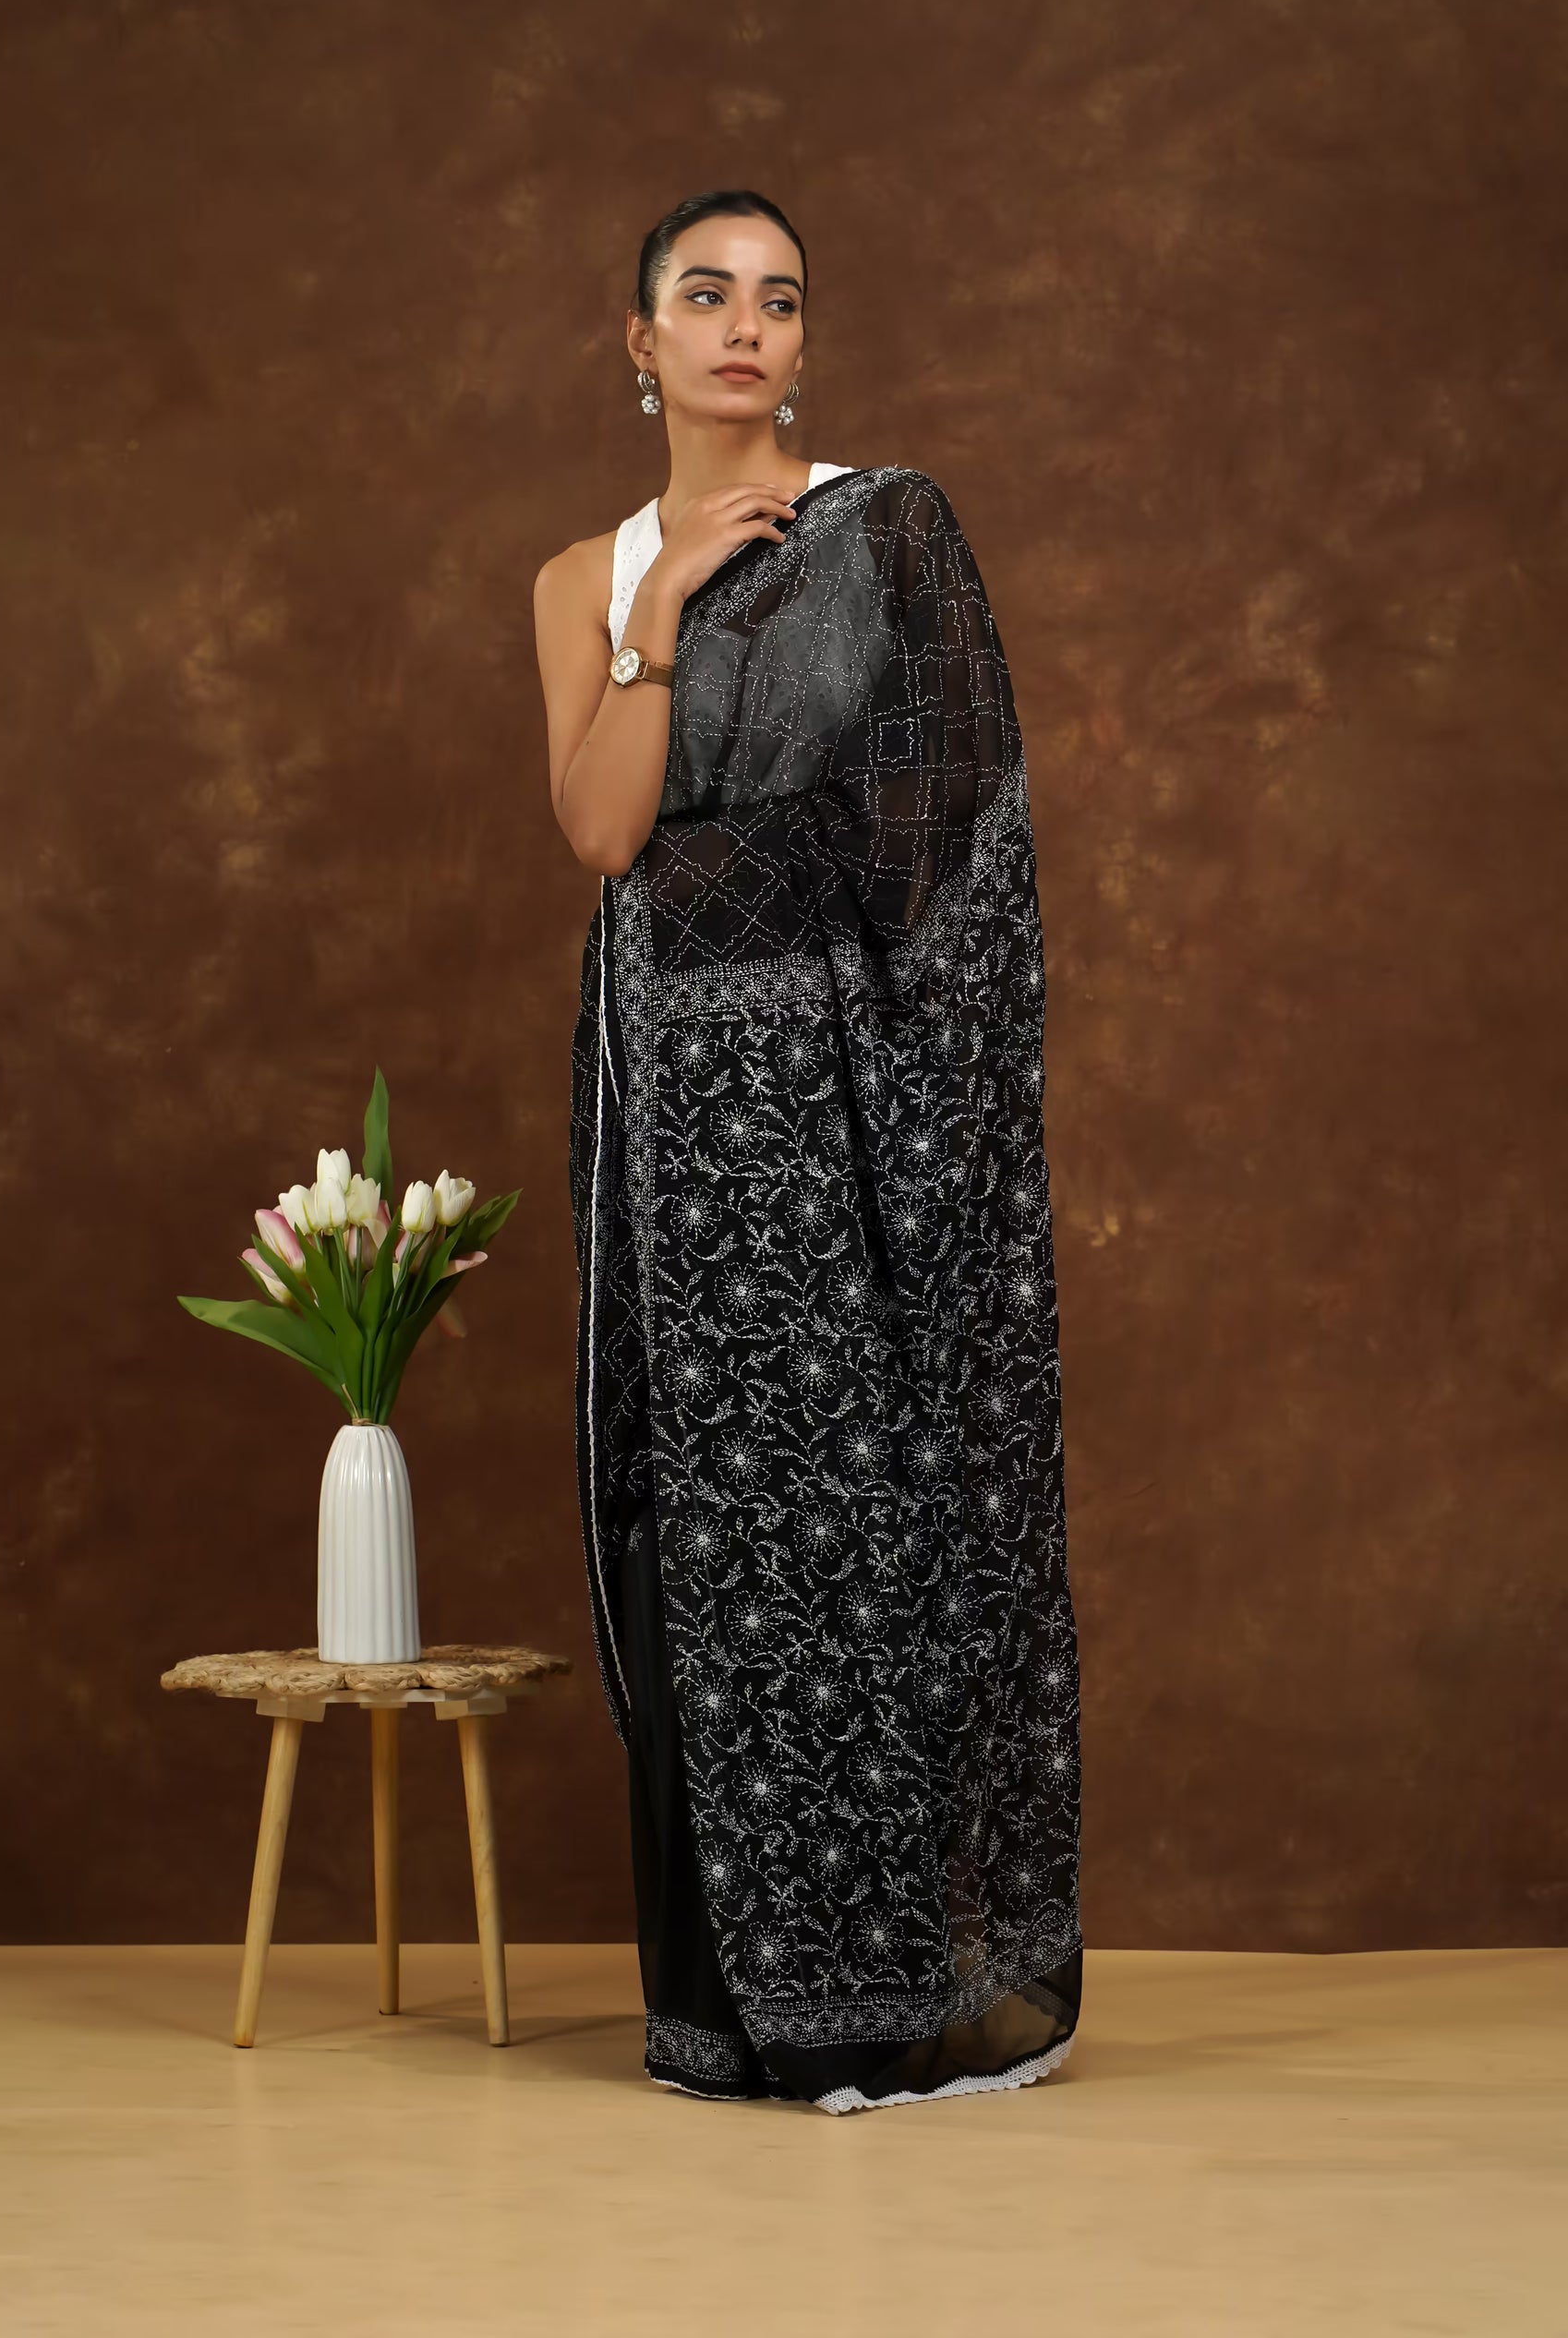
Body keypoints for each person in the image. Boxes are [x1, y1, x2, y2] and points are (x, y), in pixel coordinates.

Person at [533, 189, 1082, 2112]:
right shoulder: (581, 576)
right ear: (639, 340)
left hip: (861, 1094)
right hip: (670, 1110)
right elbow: (604, 833)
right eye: (705, 296)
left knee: (862, 1510)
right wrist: (665, 604)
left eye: (777, 300)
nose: (743, 328)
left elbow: (959, 837)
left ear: (802, 343)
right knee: (707, 1529)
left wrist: (900, 1095)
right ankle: (736, 2012)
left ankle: (887, 1997)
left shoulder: (894, 527)